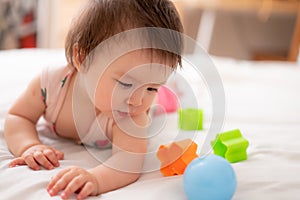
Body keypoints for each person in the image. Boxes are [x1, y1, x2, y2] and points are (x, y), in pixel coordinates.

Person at [4, 0, 183, 199]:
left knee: (161, 104)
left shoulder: (131, 115)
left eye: (151, 87)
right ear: (83, 58)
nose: (137, 101)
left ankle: (168, 91)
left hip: (157, 108)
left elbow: (128, 162)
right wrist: (29, 145)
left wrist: (95, 179)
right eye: (125, 84)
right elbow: (18, 117)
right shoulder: (51, 85)